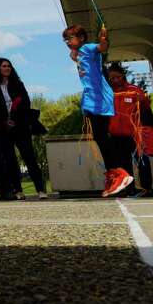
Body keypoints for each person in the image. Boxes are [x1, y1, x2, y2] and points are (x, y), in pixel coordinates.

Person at [63, 24, 131, 197]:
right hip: (91, 99)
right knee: (99, 136)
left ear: (82, 38)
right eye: (65, 39)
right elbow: (74, 56)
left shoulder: (88, 47)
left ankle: (119, 173)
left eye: (69, 38)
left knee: (101, 136)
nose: (67, 42)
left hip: (99, 97)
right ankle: (113, 173)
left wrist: (103, 40)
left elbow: (102, 48)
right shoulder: (79, 53)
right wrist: (73, 52)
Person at [0, 57, 47, 201]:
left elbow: (26, 102)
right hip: (2, 128)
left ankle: (40, 189)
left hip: (20, 125)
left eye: (9, 66)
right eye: (4, 66)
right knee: (10, 159)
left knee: (29, 156)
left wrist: (15, 119)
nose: (7, 68)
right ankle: (18, 189)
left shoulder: (17, 84)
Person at [107, 62, 153, 196]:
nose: (115, 80)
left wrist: (144, 101)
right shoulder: (108, 93)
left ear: (123, 76)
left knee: (142, 161)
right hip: (116, 135)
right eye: (112, 78)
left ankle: (147, 188)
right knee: (123, 164)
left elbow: (146, 108)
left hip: (135, 134)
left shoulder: (134, 90)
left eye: (117, 77)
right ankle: (129, 189)